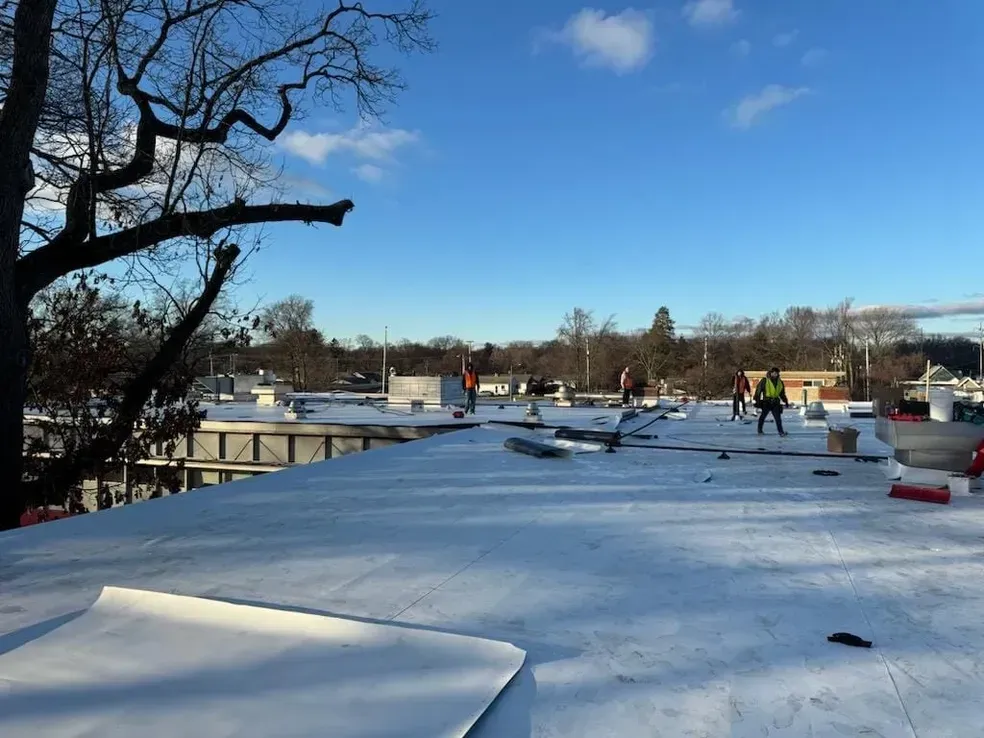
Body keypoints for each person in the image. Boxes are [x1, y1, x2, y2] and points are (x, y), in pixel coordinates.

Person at [754, 367, 790, 436]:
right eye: (773, 372)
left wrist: (785, 401)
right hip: (766, 402)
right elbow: (758, 390)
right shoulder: (765, 380)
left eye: (776, 373)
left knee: (778, 418)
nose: (775, 374)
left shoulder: (780, 382)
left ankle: (781, 432)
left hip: (775, 402)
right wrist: (757, 400)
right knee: (763, 417)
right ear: (770, 373)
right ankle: (760, 430)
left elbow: (782, 393)